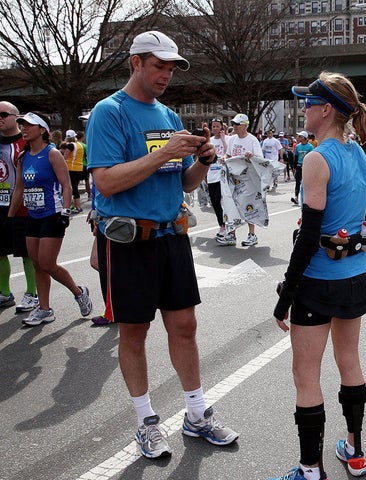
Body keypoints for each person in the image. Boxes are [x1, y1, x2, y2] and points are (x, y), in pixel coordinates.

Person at [86, 30, 237, 459]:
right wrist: (163, 152)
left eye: (171, 68)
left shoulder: (169, 116)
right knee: (134, 331)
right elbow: (106, 180)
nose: (166, 75)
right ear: (135, 63)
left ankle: (196, 414)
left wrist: (203, 162)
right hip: (129, 240)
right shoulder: (108, 112)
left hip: (172, 235)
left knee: (185, 326)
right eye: (159, 66)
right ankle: (146, 421)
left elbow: (183, 181)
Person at [269, 71, 366, 480]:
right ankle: (355, 451)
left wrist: (285, 295)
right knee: (349, 360)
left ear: (326, 109)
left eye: (308, 104)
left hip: (319, 281)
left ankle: (309, 469)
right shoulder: (359, 154)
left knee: (305, 374)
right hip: (356, 275)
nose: (304, 110)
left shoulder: (317, 157)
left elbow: (310, 235)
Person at [8, 112, 93, 326]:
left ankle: (79, 292)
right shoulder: (22, 157)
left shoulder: (52, 153)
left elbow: (66, 185)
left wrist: (65, 212)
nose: (24, 129)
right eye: (22, 125)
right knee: (37, 264)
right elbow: (19, 188)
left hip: (52, 214)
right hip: (32, 216)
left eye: (29, 125)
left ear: (43, 130)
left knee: (47, 263)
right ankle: (45, 309)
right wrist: (9, 217)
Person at [0, 101, 38, 313]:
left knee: (27, 253)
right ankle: (4, 293)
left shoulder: (27, 144)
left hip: (24, 207)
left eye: (4, 114)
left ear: (16, 117)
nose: (0, 118)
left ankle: (32, 293)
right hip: (0, 206)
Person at [221, 113, 264, 246]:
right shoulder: (232, 139)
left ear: (245, 125)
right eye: (233, 124)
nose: (234, 126)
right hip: (234, 178)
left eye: (237, 124)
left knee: (249, 206)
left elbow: (260, 158)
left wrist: (251, 155)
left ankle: (252, 235)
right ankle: (231, 234)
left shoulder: (252, 140)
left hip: (248, 180)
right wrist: (224, 157)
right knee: (230, 205)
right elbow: (229, 154)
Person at [207, 118, 228, 239]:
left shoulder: (227, 139)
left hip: (222, 175)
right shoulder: (209, 141)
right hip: (211, 175)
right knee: (214, 202)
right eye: (213, 126)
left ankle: (225, 225)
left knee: (220, 199)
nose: (215, 128)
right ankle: (221, 224)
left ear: (221, 127)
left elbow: (228, 151)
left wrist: (224, 139)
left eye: (217, 126)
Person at [64, 129, 85, 213]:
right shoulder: (79, 145)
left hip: (71, 168)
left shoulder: (70, 146)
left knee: (71, 187)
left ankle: (75, 206)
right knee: (75, 186)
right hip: (79, 168)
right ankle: (77, 206)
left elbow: (65, 156)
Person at [291, 131, 314, 205]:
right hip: (299, 165)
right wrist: (294, 167)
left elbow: (312, 158)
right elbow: (296, 156)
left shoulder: (310, 147)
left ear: (304, 137)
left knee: (306, 183)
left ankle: (307, 198)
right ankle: (296, 197)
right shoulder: (298, 146)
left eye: (300, 136)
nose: (298, 138)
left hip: (306, 166)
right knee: (297, 181)